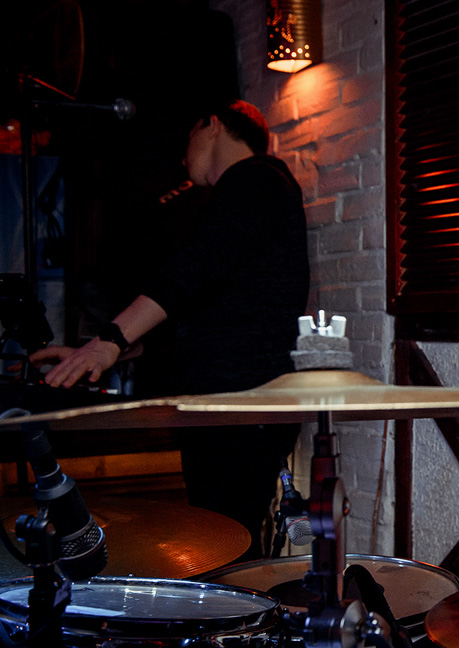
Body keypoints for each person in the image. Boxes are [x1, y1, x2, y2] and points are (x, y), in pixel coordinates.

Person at [32, 100, 309, 559]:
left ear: (212, 124)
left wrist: (111, 340)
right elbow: (208, 307)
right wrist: (113, 349)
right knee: (224, 543)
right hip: (230, 406)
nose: (183, 158)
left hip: (238, 408)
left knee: (225, 546)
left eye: (188, 138)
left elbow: (193, 270)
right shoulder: (252, 189)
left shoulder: (257, 178)